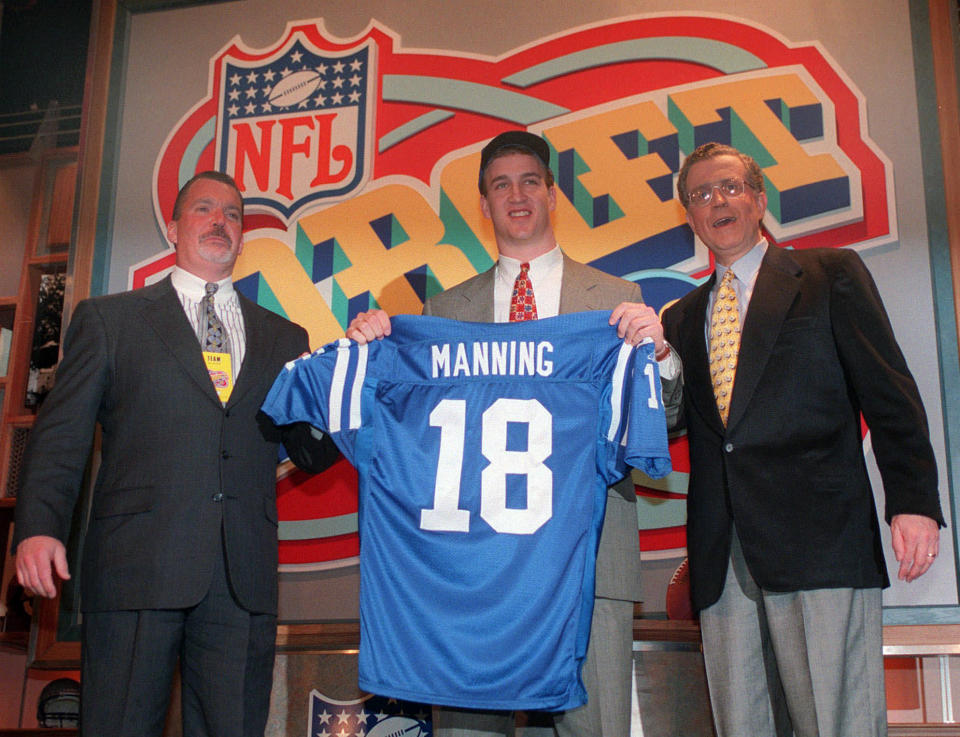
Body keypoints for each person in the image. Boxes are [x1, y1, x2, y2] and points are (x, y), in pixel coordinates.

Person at [346, 130, 682, 737]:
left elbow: (667, 417)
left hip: (589, 560)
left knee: (595, 728)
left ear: (552, 195)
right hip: (475, 572)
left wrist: (657, 356)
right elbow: (410, 440)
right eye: (500, 184)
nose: (517, 195)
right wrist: (372, 360)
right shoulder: (443, 312)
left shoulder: (617, 299)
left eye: (530, 180)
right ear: (484, 204)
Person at [13, 171, 337, 737]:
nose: (220, 222)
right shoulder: (111, 320)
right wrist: (39, 528)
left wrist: (349, 375)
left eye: (232, 214)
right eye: (204, 209)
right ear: (174, 226)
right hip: (136, 566)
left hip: (241, 578)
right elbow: (60, 435)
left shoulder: (285, 338)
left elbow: (310, 453)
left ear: (242, 236)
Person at [662, 142, 944, 737]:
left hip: (821, 538)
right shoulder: (681, 318)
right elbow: (675, 426)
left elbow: (890, 395)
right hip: (724, 554)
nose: (718, 201)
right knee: (744, 723)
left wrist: (913, 502)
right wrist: (659, 365)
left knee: (836, 722)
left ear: (759, 200)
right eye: (701, 194)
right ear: (689, 217)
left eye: (731, 187)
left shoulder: (828, 275)